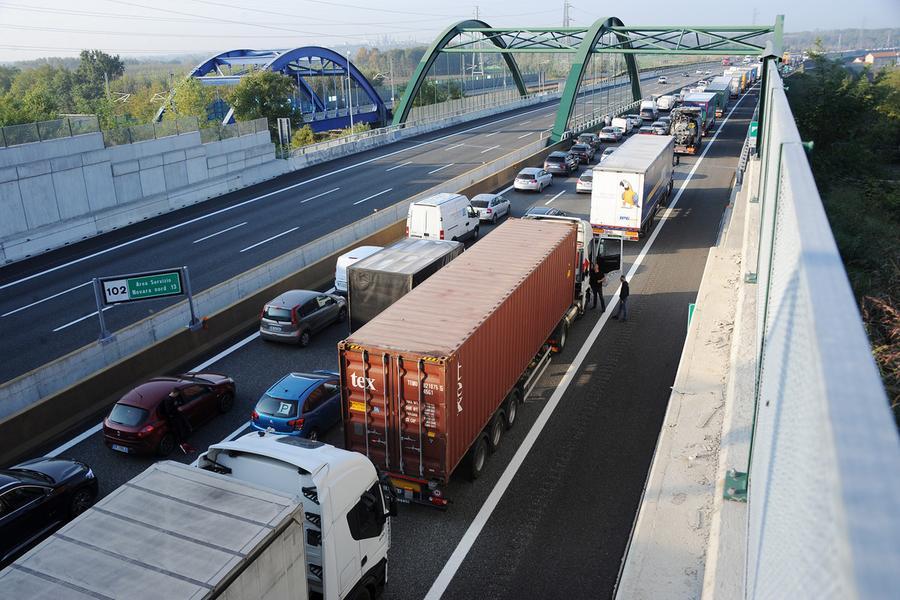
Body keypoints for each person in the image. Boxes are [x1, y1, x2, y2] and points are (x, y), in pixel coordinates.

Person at [162, 389, 195, 454]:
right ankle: (184, 447)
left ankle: (184, 444)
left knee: (183, 430)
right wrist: (177, 409)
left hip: (177, 417)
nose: (177, 396)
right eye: (177, 394)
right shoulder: (168, 400)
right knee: (180, 431)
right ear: (175, 393)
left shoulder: (171, 399)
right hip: (174, 418)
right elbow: (169, 411)